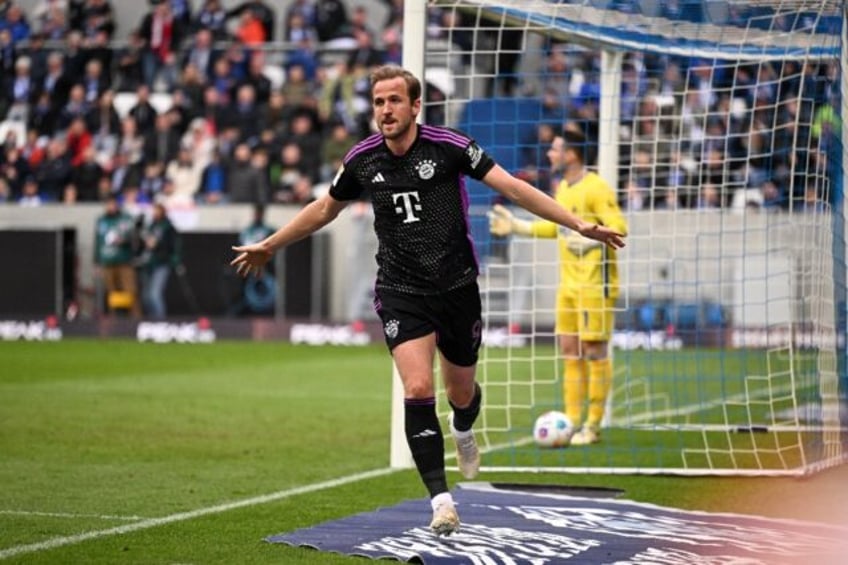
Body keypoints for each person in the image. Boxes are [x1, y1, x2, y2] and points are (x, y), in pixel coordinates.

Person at [230, 65, 625, 536]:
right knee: (418, 389)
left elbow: (512, 187)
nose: (385, 110)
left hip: (457, 287)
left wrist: (576, 223)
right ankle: (441, 501)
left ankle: (463, 428)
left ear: (415, 106)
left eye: (395, 100)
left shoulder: (449, 147)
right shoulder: (362, 159)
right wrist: (271, 244)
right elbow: (322, 209)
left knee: (461, 392)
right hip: (401, 291)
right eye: (378, 102)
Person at [489, 124, 628, 446]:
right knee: (569, 351)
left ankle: (593, 425)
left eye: (555, 148)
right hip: (568, 285)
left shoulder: (596, 188)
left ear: (572, 153)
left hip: (595, 285)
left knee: (594, 350)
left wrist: (593, 242)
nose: (550, 153)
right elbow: (559, 228)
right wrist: (518, 227)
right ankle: (570, 421)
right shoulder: (564, 187)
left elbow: (619, 226)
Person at [95, 195, 142, 318]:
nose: (111, 207)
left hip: (124, 261)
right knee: (111, 293)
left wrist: (124, 240)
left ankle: (136, 320)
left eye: (113, 204)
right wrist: (97, 262)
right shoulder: (101, 220)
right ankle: (115, 321)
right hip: (107, 261)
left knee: (130, 291)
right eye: (108, 204)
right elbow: (98, 242)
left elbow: (135, 238)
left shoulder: (126, 219)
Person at [139, 202, 180, 319]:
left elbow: (171, 246)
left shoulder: (168, 227)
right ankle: (151, 320)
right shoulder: (151, 226)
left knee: (154, 294)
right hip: (148, 264)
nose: (154, 213)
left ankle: (160, 321)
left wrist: (157, 245)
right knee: (146, 296)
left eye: (157, 210)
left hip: (161, 264)